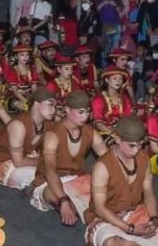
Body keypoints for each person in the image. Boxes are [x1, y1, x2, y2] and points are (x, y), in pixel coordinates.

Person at [84, 118, 158, 246]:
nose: (136, 150)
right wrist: (130, 229)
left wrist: (154, 218)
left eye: (140, 144)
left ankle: (149, 242)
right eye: (131, 145)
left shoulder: (143, 158)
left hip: (133, 212)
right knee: (110, 244)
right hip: (106, 217)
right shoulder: (102, 166)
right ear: (117, 139)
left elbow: (148, 192)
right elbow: (99, 208)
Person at [30, 90, 108, 225]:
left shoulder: (90, 132)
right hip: (49, 182)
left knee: (107, 198)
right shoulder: (53, 135)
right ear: (67, 110)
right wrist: (63, 201)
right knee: (66, 202)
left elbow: (108, 160)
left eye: (88, 112)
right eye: (80, 112)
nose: (85, 116)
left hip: (77, 178)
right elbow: (50, 171)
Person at [0, 87, 57, 190]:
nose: (54, 110)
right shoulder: (19, 126)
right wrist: (44, 161)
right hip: (3, 163)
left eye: (55, 106)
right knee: (49, 178)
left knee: (58, 172)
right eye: (50, 105)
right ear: (37, 104)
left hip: (25, 156)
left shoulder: (47, 124)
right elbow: (18, 162)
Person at [91, 66, 134, 140]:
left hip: (121, 132)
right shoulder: (99, 99)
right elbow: (99, 124)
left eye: (120, 79)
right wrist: (114, 134)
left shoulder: (124, 98)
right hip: (104, 133)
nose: (118, 81)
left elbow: (128, 118)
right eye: (115, 78)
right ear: (107, 80)